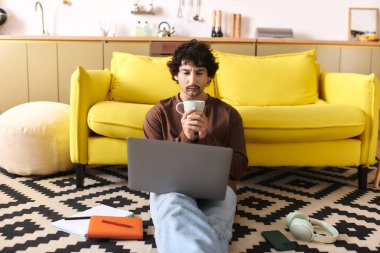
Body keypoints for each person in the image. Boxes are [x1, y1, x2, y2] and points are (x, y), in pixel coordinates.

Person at [143, 39, 248, 253]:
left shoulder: (229, 115)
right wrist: (184, 136)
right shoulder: (158, 114)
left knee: (210, 223)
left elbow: (238, 169)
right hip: (173, 188)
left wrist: (206, 136)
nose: (192, 80)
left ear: (209, 77)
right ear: (175, 75)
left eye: (200, 72)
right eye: (185, 72)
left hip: (218, 187)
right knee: (174, 210)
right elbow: (152, 172)